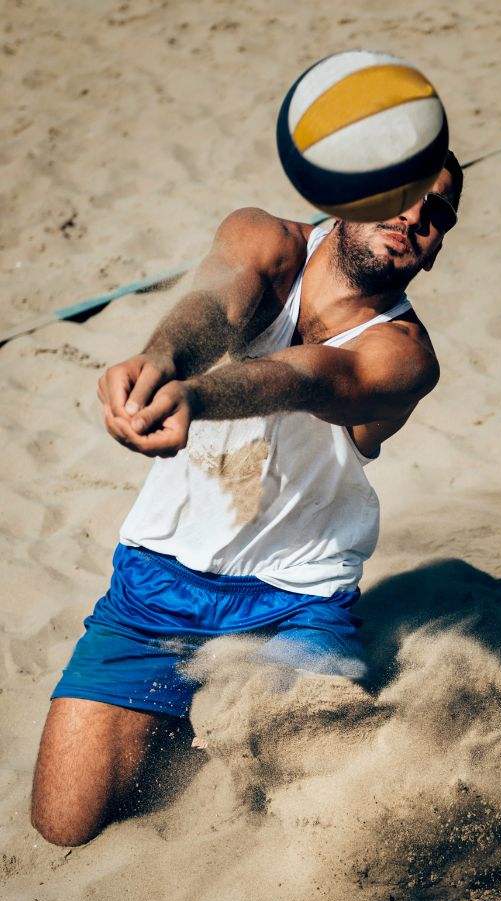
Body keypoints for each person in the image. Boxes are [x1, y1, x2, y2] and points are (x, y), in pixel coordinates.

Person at [31, 152, 463, 846]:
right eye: (408, 195)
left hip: (296, 602)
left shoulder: (406, 357)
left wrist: (193, 398)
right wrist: (160, 363)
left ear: (435, 250)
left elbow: (309, 378)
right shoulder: (266, 238)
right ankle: (174, 714)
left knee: (314, 828)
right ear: (350, 194)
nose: (416, 218)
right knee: (63, 825)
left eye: (437, 216)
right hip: (157, 584)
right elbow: (211, 305)